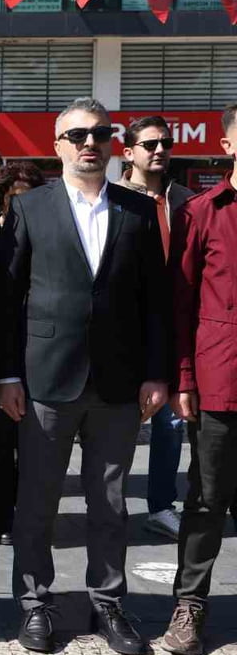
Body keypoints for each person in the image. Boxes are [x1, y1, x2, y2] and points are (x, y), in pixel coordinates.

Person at [0, 97, 169, 655]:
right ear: (57, 145)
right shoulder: (31, 209)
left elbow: (154, 304)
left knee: (111, 502)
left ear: (112, 141)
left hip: (119, 383)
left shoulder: (137, 211)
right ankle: (34, 603)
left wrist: (155, 374)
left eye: (99, 133)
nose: (88, 143)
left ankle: (108, 603)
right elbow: (8, 298)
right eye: (76, 136)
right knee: (37, 500)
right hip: (46, 378)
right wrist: (6, 375)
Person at [161, 103, 237, 655]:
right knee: (207, 501)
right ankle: (189, 607)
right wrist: (183, 377)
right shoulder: (204, 213)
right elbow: (180, 305)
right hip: (219, 382)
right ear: (229, 146)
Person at [116, 116, 194, 542]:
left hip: (174, 327)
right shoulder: (112, 199)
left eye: (165, 143)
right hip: (124, 330)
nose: (159, 150)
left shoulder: (186, 200)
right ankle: (108, 505)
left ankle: (161, 506)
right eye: (148, 144)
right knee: (118, 425)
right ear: (128, 152)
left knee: (170, 424)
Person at [0, 162, 45, 548]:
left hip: (41, 356)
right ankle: (2, 518)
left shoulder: (49, 236)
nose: (25, 205)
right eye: (16, 198)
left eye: (31, 197)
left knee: (36, 451)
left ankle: (31, 516)